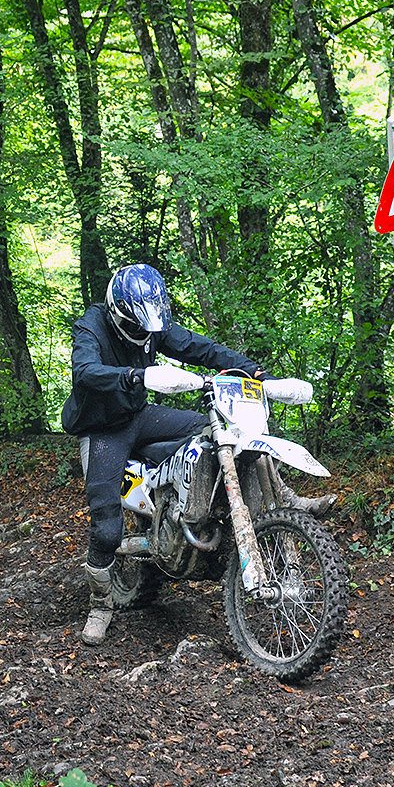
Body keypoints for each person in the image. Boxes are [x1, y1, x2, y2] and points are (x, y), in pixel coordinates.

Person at [62, 263, 268, 646]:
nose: (144, 334)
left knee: (216, 433)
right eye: (137, 326)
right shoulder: (91, 326)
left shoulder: (152, 323)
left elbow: (197, 347)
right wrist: (134, 376)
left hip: (139, 416)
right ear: (118, 312)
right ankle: (100, 604)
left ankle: (197, 505)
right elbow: (85, 372)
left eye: (150, 327)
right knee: (106, 527)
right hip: (102, 427)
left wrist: (251, 371)